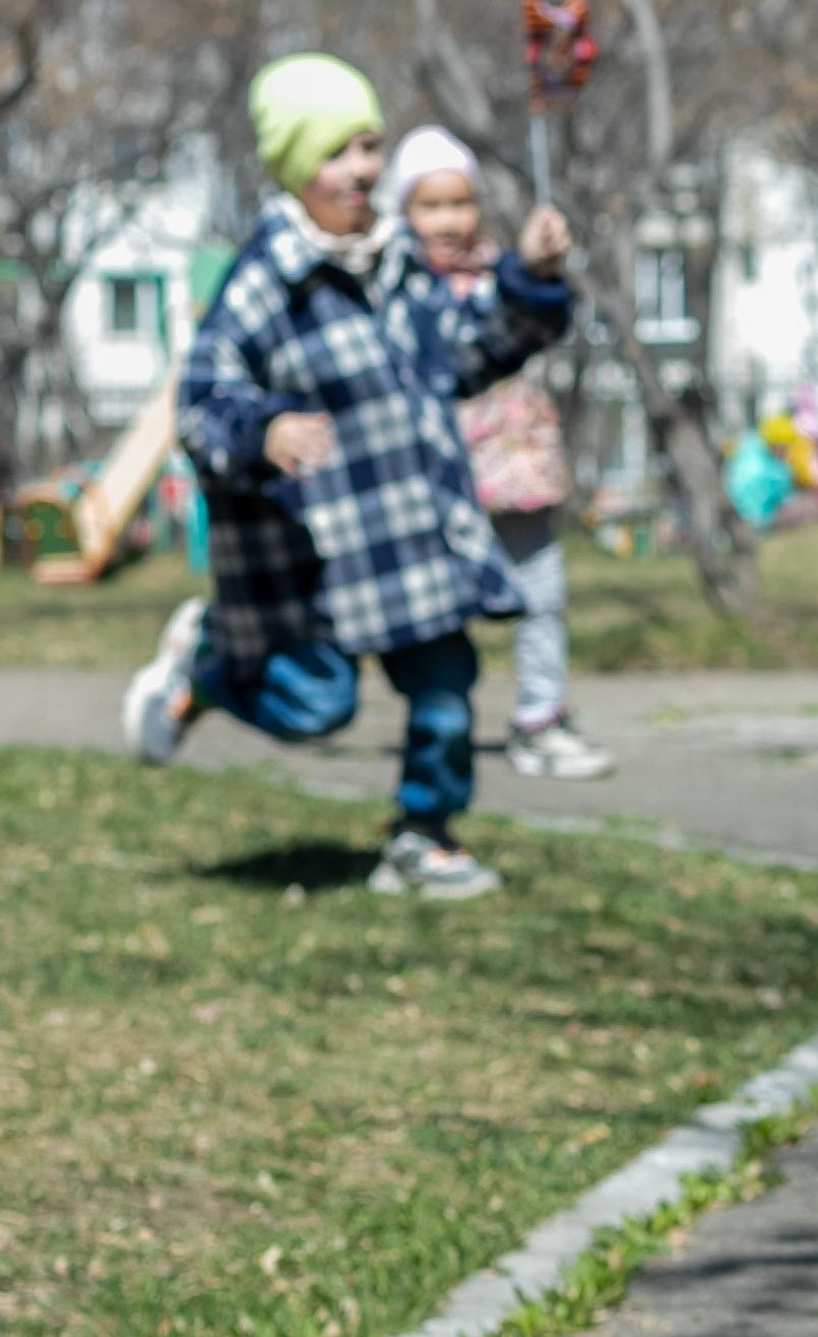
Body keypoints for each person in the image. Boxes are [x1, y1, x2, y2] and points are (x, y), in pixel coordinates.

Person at [120, 55, 576, 899]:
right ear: (296, 166)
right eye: (337, 151)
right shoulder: (268, 279)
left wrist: (531, 279)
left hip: (414, 533)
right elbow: (202, 400)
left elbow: (469, 350)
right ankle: (206, 666)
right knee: (316, 707)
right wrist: (265, 428)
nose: (363, 168)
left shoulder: (398, 261)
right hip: (321, 549)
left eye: (370, 146)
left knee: (446, 689)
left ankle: (423, 836)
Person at [390, 126, 614, 777]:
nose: (449, 220)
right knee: (431, 611)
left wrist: (537, 270)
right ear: (402, 212)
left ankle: (540, 716)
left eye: (461, 202)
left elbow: (533, 320)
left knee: (541, 592)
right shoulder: (394, 287)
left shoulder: (499, 273)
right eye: (430, 205)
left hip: (515, 467)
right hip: (435, 476)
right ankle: (438, 727)